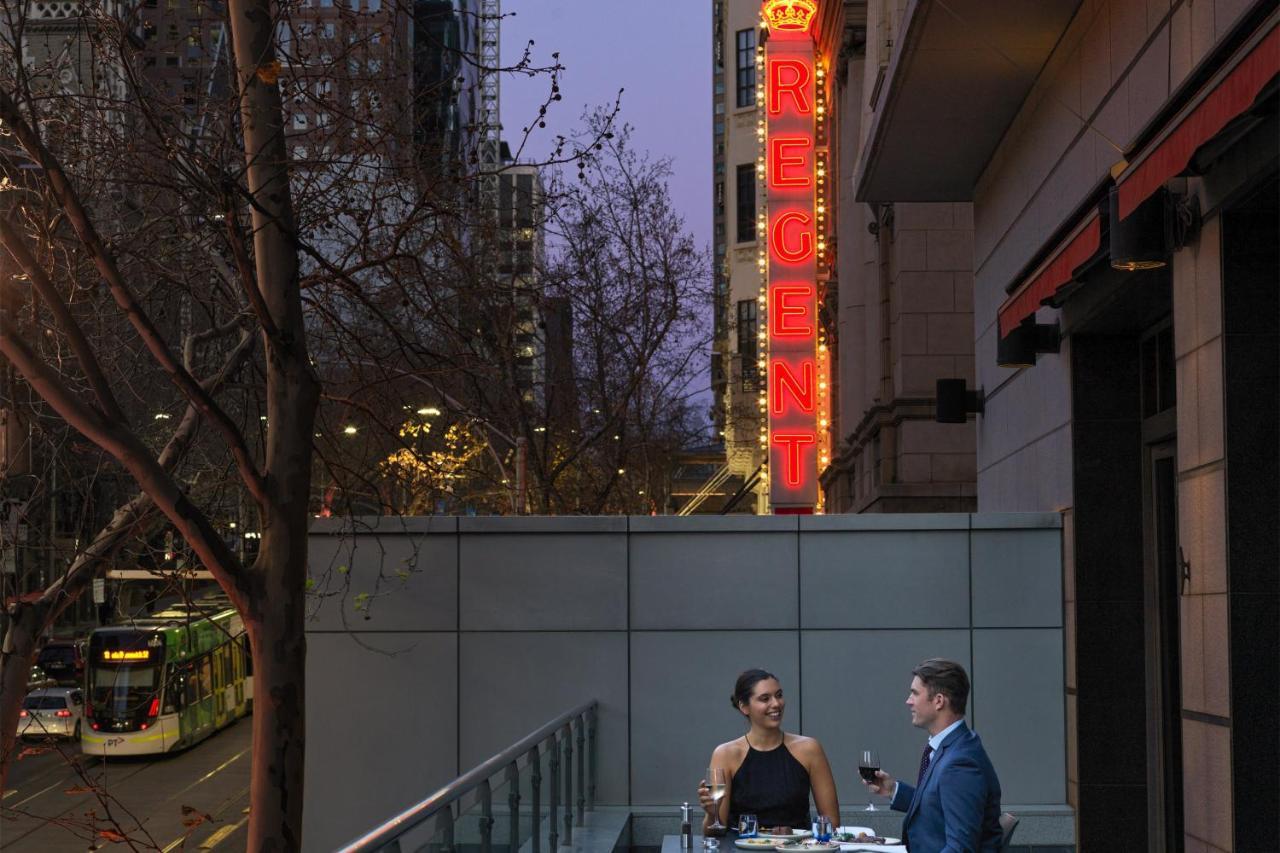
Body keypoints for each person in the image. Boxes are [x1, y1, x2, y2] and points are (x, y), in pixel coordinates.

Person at [862, 659, 1002, 853]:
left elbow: (960, 848)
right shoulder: (956, 746)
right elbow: (938, 807)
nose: (908, 700)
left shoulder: (960, 763)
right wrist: (893, 790)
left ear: (938, 701)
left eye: (915, 693)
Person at [698, 669, 839, 835]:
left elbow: (832, 823)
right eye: (765, 698)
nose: (776, 704)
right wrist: (711, 813)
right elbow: (714, 832)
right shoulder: (726, 754)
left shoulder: (809, 749)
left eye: (779, 695)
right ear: (744, 707)